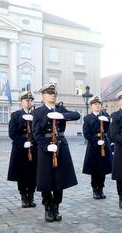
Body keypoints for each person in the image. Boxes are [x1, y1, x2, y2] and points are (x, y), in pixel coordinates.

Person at [32, 84, 80, 222]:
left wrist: (61, 115)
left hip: (61, 146)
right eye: (49, 92)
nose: (52, 95)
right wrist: (46, 147)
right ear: (43, 95)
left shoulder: (60, 109)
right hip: (46, 149)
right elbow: (36, 134)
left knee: (60, 179)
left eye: (54, 92)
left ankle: (56, 206)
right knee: (46, 179)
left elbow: (76, 115)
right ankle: (48, 207)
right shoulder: (38, 112)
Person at [7, 90, 37, 208]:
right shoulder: (16, 115)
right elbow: (12, 133)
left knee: (33, 173)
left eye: (31, 100)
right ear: (21, 102)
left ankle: (31, 195)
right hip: (20, 149)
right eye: (26, 100)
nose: (29, 102)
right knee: (22, 173)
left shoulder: (35, 115)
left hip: (34, 148)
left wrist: (33, 142)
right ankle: (24, 197)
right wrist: (23, 142)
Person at [82, 96, 112, 199]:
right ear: (91, 106)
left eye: (99, 104)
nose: (98, 105)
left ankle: (101, 189)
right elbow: (86, 134)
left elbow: (109, 130)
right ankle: (95, 189)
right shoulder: (87, 118)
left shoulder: (105, 116)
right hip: (94, 146)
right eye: (95, 104)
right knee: (95, 169)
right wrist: (95, 140)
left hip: (104, 143)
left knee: (103, 168)